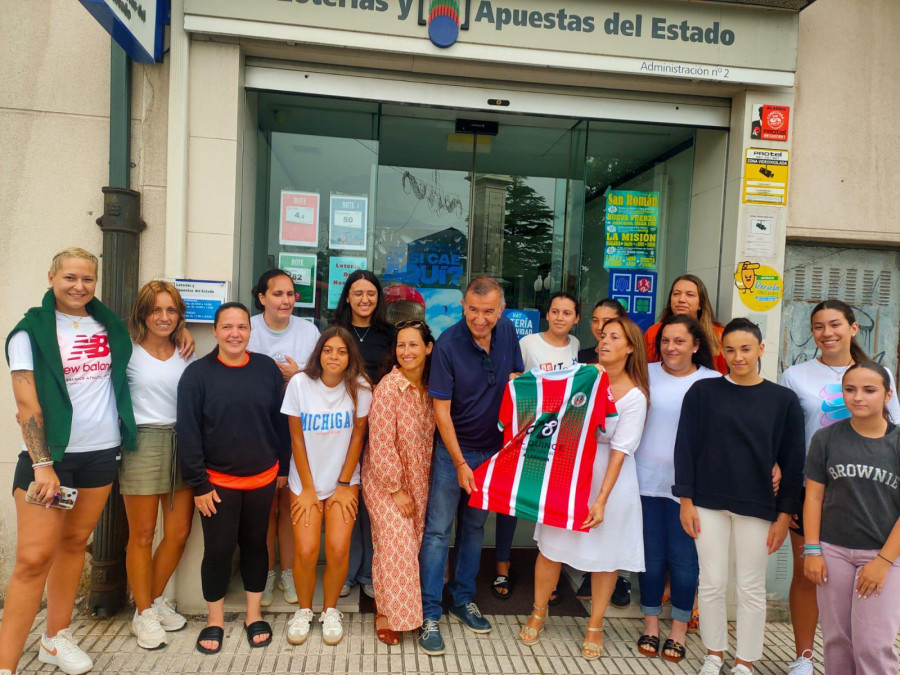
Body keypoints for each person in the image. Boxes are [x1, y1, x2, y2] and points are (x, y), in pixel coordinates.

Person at [1, 247, 137, 675]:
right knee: (32, 560)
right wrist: (42, 464)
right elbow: (26, 403)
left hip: (100, 454)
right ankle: (6, 664)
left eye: (87, 279)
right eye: (70, 278)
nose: (79, 287)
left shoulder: (108, 326)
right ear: (51, 278)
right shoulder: (30, 332)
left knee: (74, 545)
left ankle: (55, 639)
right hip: (53, 461)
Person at [674, 318, 805, 675]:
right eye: (730, 350)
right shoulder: (703, 393)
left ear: (761, 349)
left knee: (750, 585)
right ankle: (714, 653)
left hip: (759, 505)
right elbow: (684, 448)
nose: (738, 357)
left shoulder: (783, 400)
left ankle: (745, 660)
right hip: (706, 501)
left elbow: (794, 462)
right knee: (713, 581)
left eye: (746, 349)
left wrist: (784, 515)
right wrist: (685, 500)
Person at [779, 299, 900, 675]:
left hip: (873, 497)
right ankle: (804, 656)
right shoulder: (796, 375)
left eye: (835, 324)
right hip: (814, 490)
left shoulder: (881, 375)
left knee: (871, 633)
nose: (827, 333)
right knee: (808, 574)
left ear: (852, 328)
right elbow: (787, 434)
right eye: (818, 326)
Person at [522, 316, 649, 661]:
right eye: (603, 335)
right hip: (570, 472)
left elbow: (621, 450)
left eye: (613, 337)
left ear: (629, 348)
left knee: (605, 557)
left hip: (611, 479)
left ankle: (595, 623)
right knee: (551, 546)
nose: (604, 341)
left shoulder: (635, 396)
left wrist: (602, 499)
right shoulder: (582, 376)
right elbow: (549, 404)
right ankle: (538, 610)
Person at [418, 276, 524, 656]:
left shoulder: (508, 331)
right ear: (463, 306)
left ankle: (462, 599)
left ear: (501, 308)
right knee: (437, 532)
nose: (481, 319)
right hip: (454, 452)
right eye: (474, 310)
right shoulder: (447, 345)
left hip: (493, 451)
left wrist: (517, 382)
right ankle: (429, 612)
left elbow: (517, 381)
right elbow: (440, 414)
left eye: (489, 311)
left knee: (476, 526)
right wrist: (461, 462)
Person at [177, 302, 285, 654]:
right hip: (216, 485)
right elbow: (189, 433)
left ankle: (253, 615)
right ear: (215, 330)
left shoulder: (267, 369)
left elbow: (280, 422)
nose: (235, 333)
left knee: (256, 547)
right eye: (227, 327)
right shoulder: (197, 375)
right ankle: (215, 620)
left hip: (262, 480)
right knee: (219, 550)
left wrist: (282, 468)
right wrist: (199, 484)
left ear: (249, 332)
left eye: (241, 326)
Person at [803, 361, 900, 675]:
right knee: (836, 641)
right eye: (850, 389)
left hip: (884, 555)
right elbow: (814, 497)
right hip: (833, 553)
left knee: (873, 646)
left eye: (869, 390)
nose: (858, 397)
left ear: (887, 395)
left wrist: (883, 561)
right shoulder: (826, 439)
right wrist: (813, 550)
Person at [634, 315, 719, 663]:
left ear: (696, 345)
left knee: (685, 563)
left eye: (680, 341)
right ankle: (651, 625)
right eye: (665, 341)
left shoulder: (713, 381)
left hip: (690, 491)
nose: (671, 348)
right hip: (643, 482)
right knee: (650, 561)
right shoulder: (645, 374)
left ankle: (679, 629)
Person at [281, 327, 371, 647]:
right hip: (304, 480)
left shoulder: (360, 387)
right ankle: (304, 610)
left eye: (342, 351)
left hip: (343, 481)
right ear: (319, 353)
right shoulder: (300, 384)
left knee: (337, 549)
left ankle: (330, 610)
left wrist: (345, 484)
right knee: (305, 551)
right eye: (328, 350)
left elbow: (359, 436)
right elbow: (296, 438)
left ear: (350, 356)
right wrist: (307, 488)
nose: (334, 356)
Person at [121, 281, 195, 650]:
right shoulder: (128, 354)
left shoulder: (186, 352)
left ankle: (149, 602)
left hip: (183, 440)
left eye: (171, 310)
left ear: (180, 315)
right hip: (144, 441)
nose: (164, 317)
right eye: (156, 310)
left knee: (179, 531)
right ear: (143, 314)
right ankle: (145, 612)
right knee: (143, 534)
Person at [493, 292, 581, 601]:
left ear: (576, 319)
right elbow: (514, 379)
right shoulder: (528, 343)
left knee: (551, 503)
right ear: (547, 315)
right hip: (525, 432)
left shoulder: (575, 346)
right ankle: (502, 565)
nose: (559, 317)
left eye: (567, 313)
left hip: (559, 436)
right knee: (512, 500)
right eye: (555, 311)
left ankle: (549, 576)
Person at [247, 269, 320, 608]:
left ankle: (287, 572)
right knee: (265, 507)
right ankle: (264, 572)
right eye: (278, 294)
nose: (286, 300)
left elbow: (325, 376)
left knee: (291, 505)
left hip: (297, 429)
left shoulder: (308, 331)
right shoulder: (247, 327)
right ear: (262, 298)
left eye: (291, 294)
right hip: (256, 427)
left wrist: (299, 374)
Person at [362, 320, 436, 645]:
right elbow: (380, 444)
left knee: (412, 543)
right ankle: (386, 613)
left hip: (420, 479)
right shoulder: (388, 389)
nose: (407, 352)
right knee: (396, 545)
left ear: (428, 348)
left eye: (414, 345)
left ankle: (402, 609)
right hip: (385, 482)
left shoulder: (432, 389)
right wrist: (395, 489)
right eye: (401, 346)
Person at [332, 270, 395, 599]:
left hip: (379, 428)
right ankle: (345, 571)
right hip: (341, 427)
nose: (364, 299)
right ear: (347, 296)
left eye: (370, 293)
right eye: (357, 293)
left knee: (374, 504)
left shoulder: (389, 334)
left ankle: (370, 572)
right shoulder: (336, 333)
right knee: (347, 500)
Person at [575, 297, 632, 607]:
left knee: (612, 529)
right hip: (583, 460)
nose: (600, 329)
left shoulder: (632, 377)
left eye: (608, 325)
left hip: (615, 462)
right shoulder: (584, 357)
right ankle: (586, 573)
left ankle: (617, 579)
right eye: (595, 322)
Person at [644, 275, 726, 374]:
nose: (681, 299)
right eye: (676, 294)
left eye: (690, 295)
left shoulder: (719, 334)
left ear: (700, 303)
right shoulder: (653, 332)